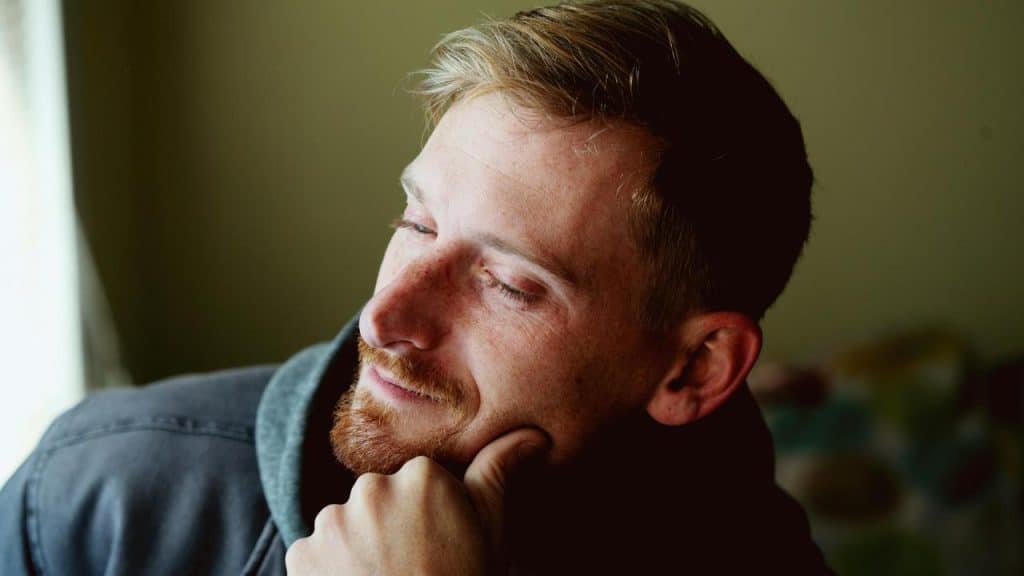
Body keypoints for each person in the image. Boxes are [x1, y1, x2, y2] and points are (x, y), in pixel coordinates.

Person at [1, 1, 832, 573]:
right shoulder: (98, 497)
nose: (383, 315)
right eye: (418, 223)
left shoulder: (760, 556)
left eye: (507, 283)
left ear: (695, 368)